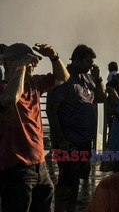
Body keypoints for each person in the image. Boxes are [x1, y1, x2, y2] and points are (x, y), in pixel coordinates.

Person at [0, 43, 69, 212]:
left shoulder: (35, 83)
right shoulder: (3, 89)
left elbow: (63, 77)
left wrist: (54, 56)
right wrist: (22, 68)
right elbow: (10, 98)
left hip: (40, 164)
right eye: (27, 60)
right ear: (9, 64)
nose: (33, 64)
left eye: (34, 61)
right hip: (15, 169)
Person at [46, 44, 105, 212]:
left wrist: (98, 77)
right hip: (68, 141)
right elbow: (51, 110)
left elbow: (100, 98)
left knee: (76, 179)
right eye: (88, 61)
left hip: (84, 140)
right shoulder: (63, 78)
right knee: (67, 179)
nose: (90, 65)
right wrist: (61, 140)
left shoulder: (87, 78)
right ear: (77, 59)